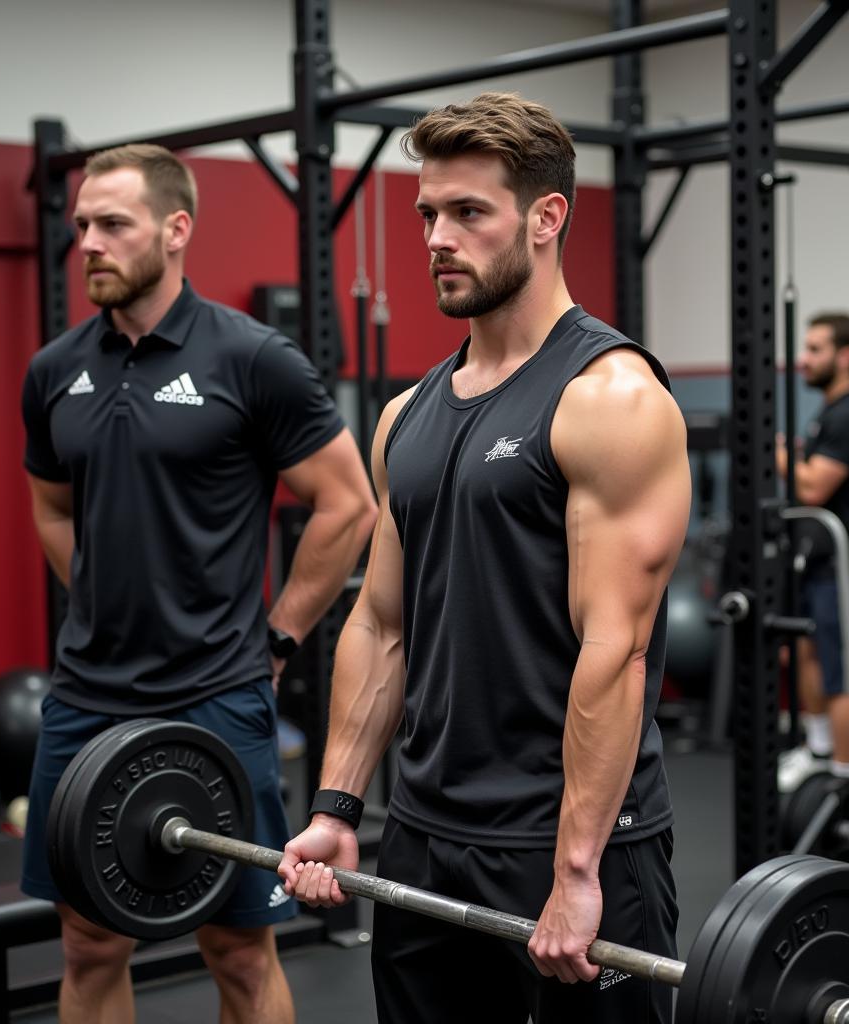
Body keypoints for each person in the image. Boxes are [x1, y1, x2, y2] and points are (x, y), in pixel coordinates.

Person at [278, 93, 691, 1024]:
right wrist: (340, 806)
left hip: (564, 841)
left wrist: (578, 869)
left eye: (469, 213)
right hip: (425, 833)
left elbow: (614, 648)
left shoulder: (611, 399)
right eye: (428, 212)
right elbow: (382, 624)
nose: (436, 237)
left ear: (547, 219)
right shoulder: (405, 417)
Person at [20, 144, 377, 1024]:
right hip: (84, 700)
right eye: (81, 228)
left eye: (113, 225)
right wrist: (105, 597)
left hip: (216, 697)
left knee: (240, 951)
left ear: (177, 230)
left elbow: (347, 503)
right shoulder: (52, 370)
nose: (89, 245)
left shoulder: (252, 359)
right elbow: (52, 510)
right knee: (87, 940)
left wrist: (280, 639)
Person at [776, 313, 849, 792]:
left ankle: (846, 781)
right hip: (819, 563)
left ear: (845, 357)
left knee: (841, 675)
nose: (805, 359)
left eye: (816, 349)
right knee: (807, 656)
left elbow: (815, 486)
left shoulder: (847, 416)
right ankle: (819, 750)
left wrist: (776, 453)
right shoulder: (827, 412)